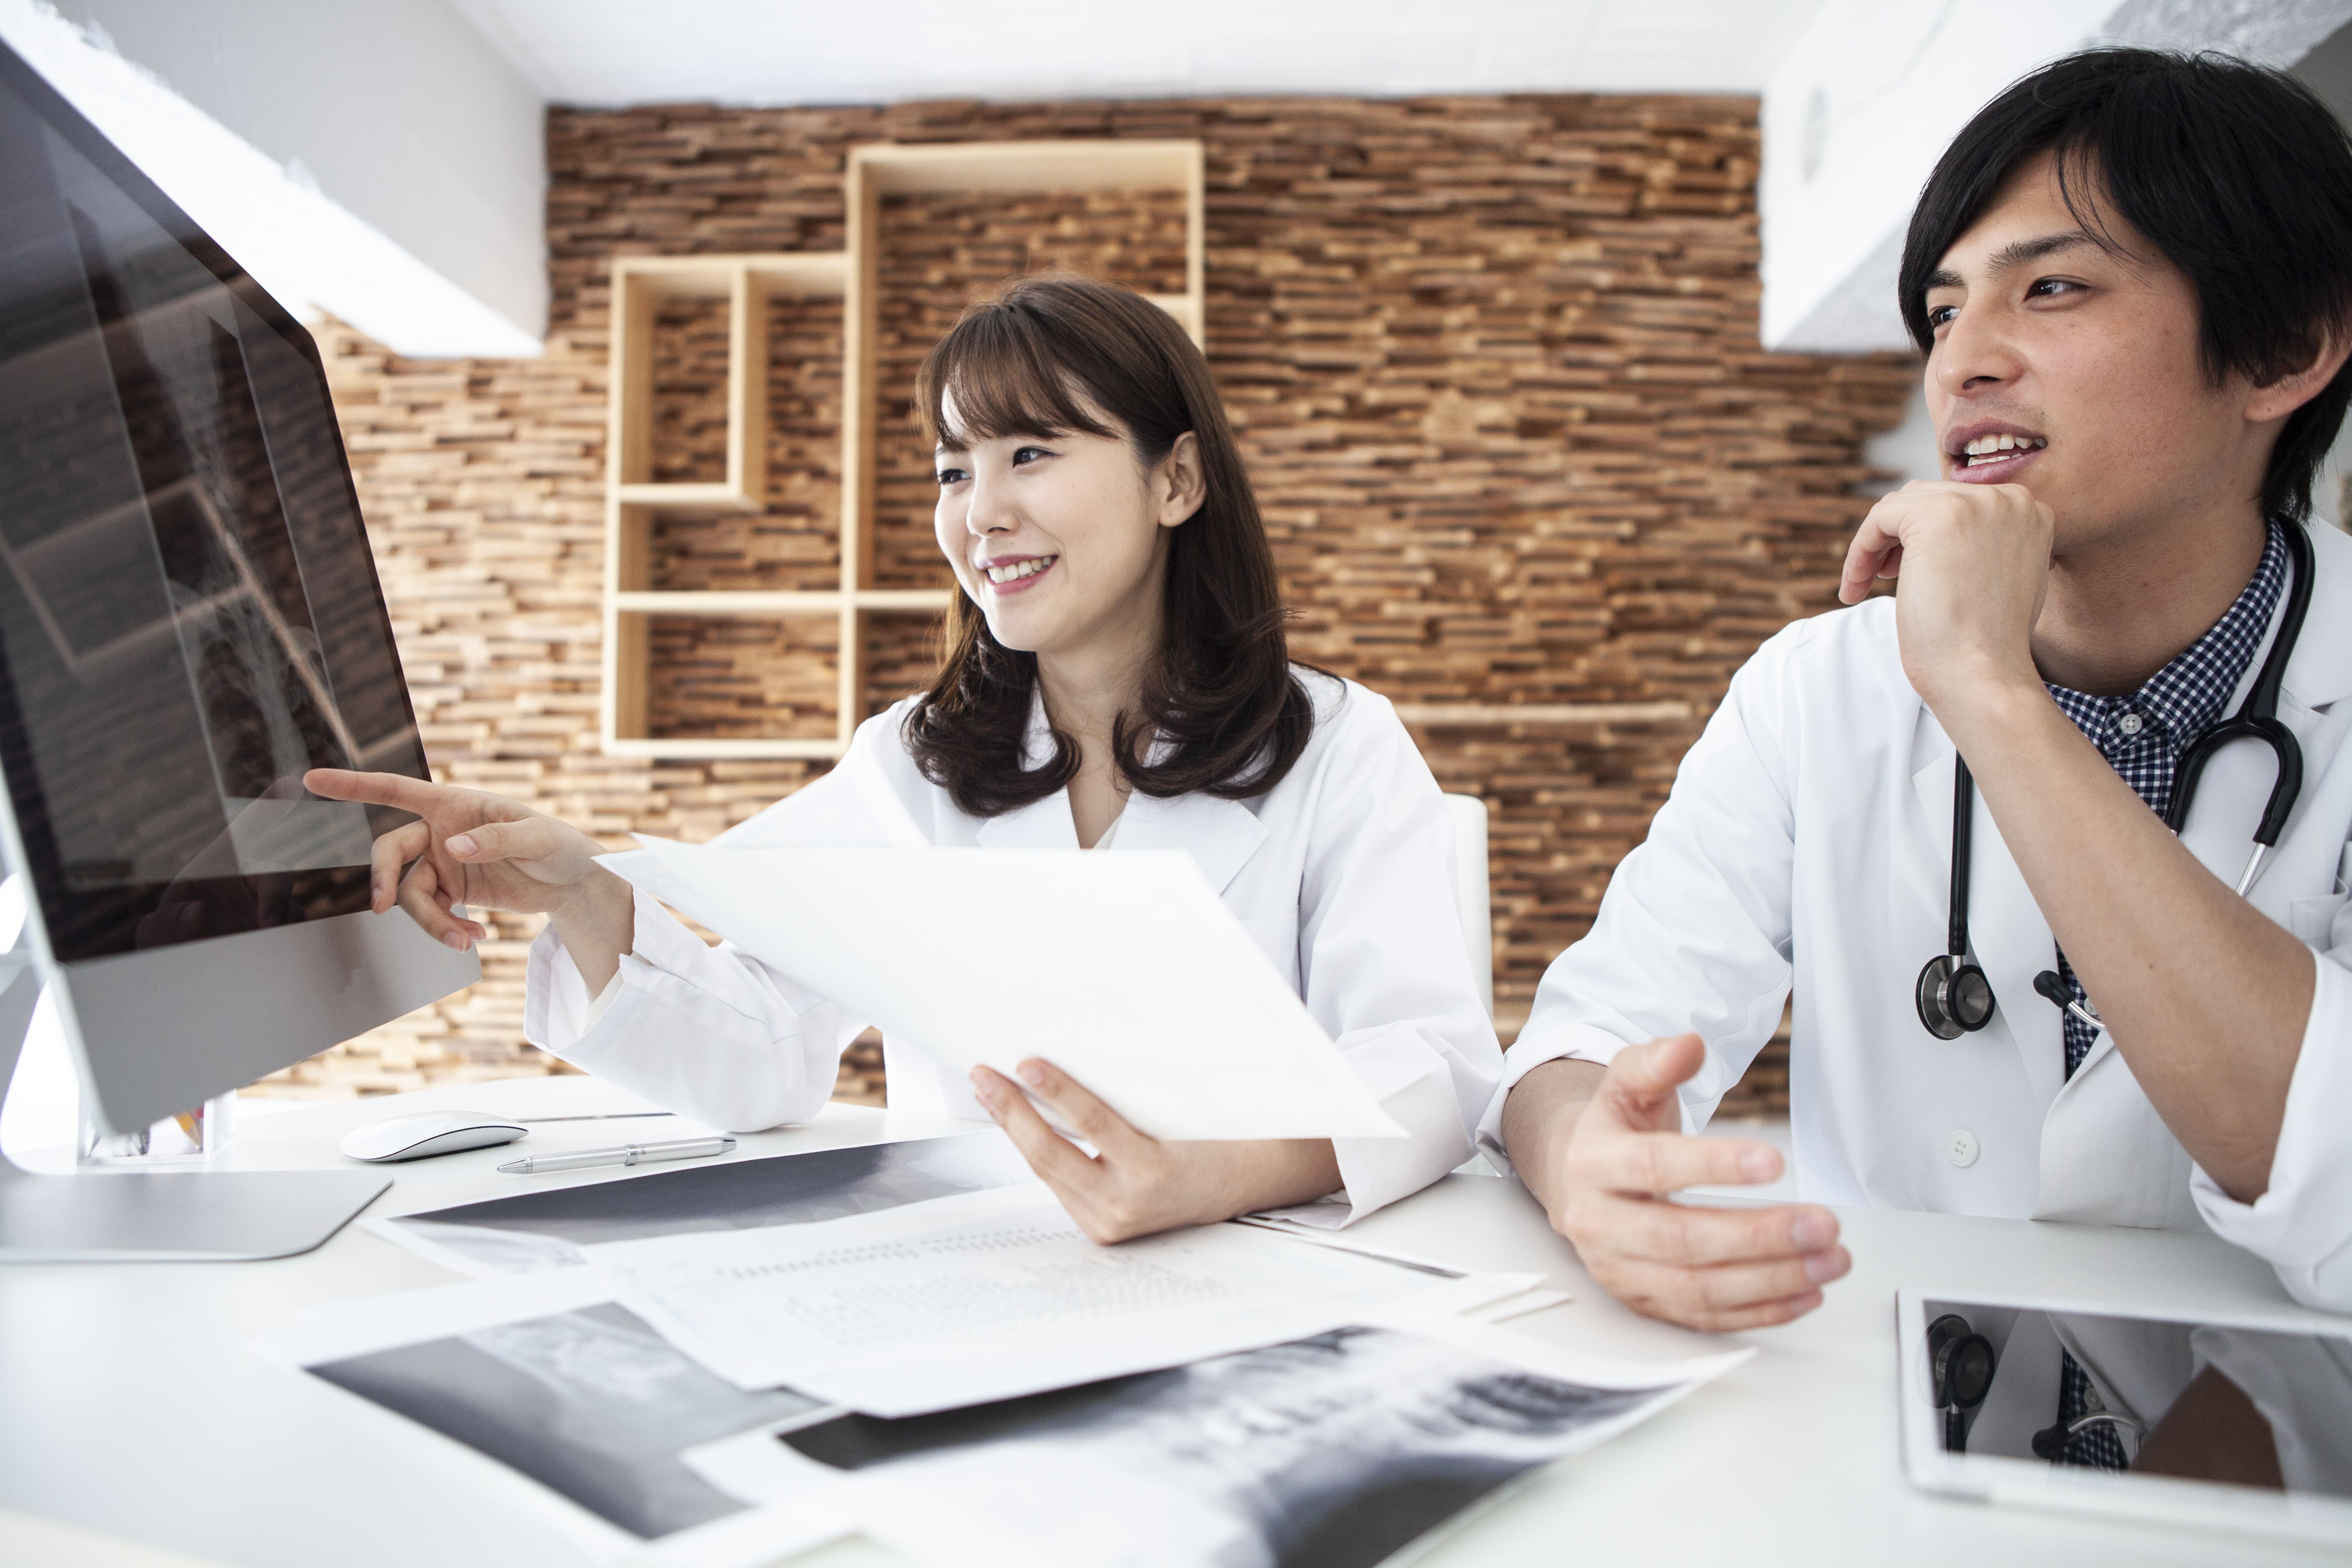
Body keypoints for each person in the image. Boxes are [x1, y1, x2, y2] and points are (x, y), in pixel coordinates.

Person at [312, 274, 1501, 1240]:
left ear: (1176, 479)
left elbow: (1432, 1068)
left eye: (1030, 453)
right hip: (984, 1284)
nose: (978, 514)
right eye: (952, 468)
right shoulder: (914, 764)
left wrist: (1214, 1174)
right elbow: (761, 1057)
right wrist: (580, 891)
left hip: (1276, 1281)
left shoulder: (1338, 745)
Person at [1483, 47, 2352, 1331]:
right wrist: (1582, 1164)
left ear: (2282, 350)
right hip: (1883, 1421)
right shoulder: (1811, 689)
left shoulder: (1957, 674)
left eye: (2051, 287)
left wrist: (1991, 695)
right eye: (1944, 313)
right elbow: (1587, 1040)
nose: (1961, 365)